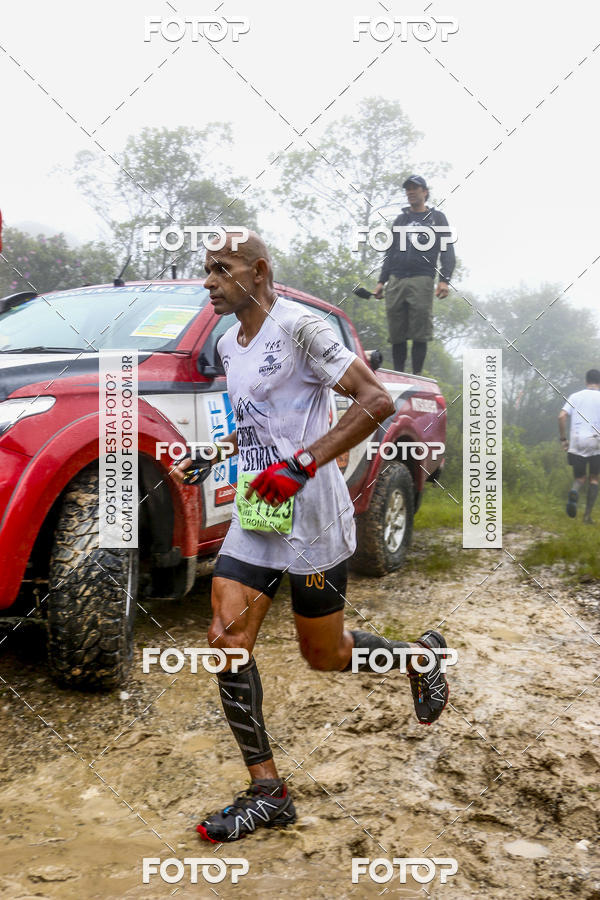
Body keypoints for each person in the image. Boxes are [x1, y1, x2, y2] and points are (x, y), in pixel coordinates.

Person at [173, 230, 450, 843]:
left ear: (259, 271)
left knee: (323, 655)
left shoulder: (303, 329)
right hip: (258, 511)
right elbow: (256, 427)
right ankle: (268, 793)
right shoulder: (228, 343)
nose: (209, 281)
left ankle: (418, 657)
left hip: (312, 518)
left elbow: (374, 401)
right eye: (207, 270)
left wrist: (302, 463)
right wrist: (213, 454)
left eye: (222, 269)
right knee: (225, 640)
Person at [374, 175, 455, 374]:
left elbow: (448, 251)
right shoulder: (401, 219)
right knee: (397, 331)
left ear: (425, 192)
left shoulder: (437, 218)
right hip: (396, 278)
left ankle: (416, 375)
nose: (410, 192)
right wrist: (381, 281)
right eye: (408, 189)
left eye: (415, 188)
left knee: (421, 330)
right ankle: (400, 374)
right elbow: (390, 252)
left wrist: (444, 280)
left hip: (422, 278)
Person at [559, 369, 600, 523]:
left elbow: (561, 416)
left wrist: (563, 439)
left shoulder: (575, 396)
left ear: (586, 381)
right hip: (596, 442)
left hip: (576, 441)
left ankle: (574, 492)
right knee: (594, 479)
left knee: (580, 478)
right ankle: (587, 517)